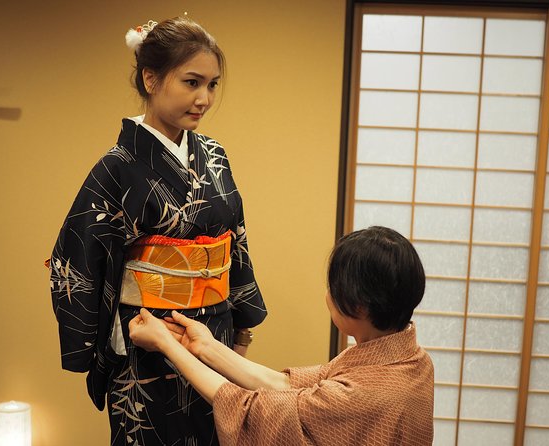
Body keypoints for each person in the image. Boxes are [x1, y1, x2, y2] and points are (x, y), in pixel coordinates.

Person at [47, 17, 267, 446]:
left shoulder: (215, 154)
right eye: (191, 82)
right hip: (149, 340)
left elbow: (235, 240)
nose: (204, 98)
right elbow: (74, 259)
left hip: (213, 336)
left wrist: (242, 326)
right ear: (151, 78)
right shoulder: (117, 166)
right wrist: (98, 345)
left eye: (212, 85)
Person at [129, 226, 435, 446]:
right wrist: (204, 345)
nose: (328, 294)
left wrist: (166, 343)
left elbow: (248, 408)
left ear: (356, 305)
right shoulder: (412, 360)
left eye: (334, 287)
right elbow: (286, 385)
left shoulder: (362, 396)